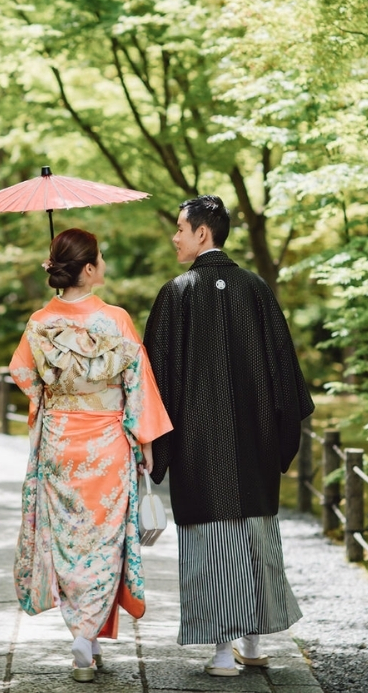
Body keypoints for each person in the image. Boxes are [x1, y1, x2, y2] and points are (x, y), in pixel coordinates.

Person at [144, 195, 315, 676]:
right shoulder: (257, 289)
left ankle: (222, 653)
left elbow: (155, 381)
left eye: (180, 228)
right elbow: (287, 377)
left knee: (209, 545)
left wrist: (155, 449)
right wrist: (280, 439)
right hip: (255, 445)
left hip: (200, 450)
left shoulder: (177, 293)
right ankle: (255, 645)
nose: (175, 236)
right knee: (254, 540)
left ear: (203, 233)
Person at [10, 227, 174, 683]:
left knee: (68, 539)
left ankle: (84, 637)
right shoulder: (115, 319)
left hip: (60, 442)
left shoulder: (40, 321)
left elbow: (23, 373)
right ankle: (86, 636)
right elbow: (137, 385)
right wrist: (145, 445)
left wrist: (58, 394)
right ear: (87, 268)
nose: (103, 264)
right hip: (106, 444)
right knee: (102, 543)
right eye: (99, 258)